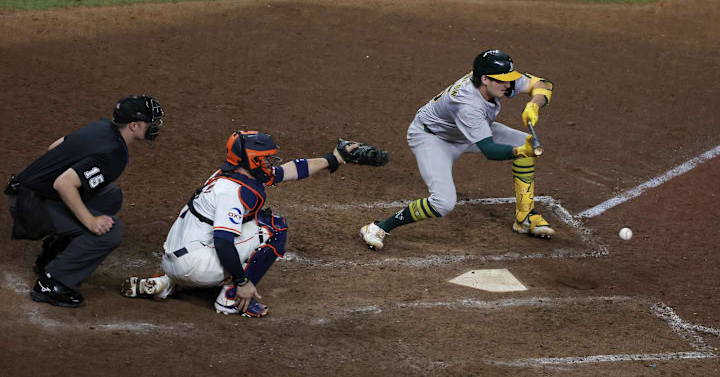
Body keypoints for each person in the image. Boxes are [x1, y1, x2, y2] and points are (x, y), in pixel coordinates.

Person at [121, 131, 364, 318]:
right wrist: (243, 282)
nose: (271, 162)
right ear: (252, 160)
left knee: (232, 227)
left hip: (172, 259)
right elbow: (223, 243)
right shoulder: (234, 192)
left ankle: (166, 284)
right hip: (195, 266)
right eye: (266, 158)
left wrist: (335, 158)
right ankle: (230, 299)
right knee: (275, 227)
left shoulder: (228, 173)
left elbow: (289, 170)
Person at [360, 49, 554, 251]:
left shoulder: (493, 80)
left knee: (524, 140)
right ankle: (377, 228)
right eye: (503, 80)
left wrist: (534, 104)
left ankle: (524, 218)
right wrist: (519, 151)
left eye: (509, 79)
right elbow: (489, 150)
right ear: (485, 79)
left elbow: (542, 84)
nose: (508, 85)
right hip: (433, 138)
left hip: (467, 131)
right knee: (443, 203)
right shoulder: (467, 103)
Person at [4, 95, 165, 307]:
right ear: (134, 126)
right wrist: (90, 221)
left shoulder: (103, 127)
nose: (155, 126)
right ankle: (52, 283)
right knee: (111, 231)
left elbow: (56, 146)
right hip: (29, 206)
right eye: (150, 122)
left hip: (27, 193)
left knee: (110, 194)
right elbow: (63, 184)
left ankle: (55, 250)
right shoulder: (114, 153)